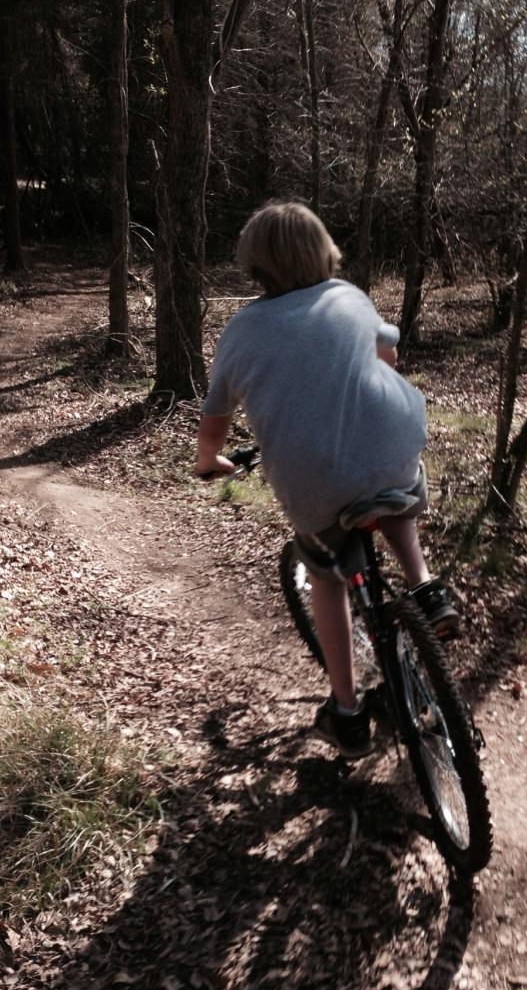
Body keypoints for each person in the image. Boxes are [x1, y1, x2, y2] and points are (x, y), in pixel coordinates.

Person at [194, 201, 459, 759]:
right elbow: (388, 355)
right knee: (397, 496)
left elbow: (215, 419)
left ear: (255, 266)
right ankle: (425, 589)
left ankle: (346, 711)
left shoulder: (241, 331)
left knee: (329, 579)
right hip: (393, 447)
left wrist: (210, 461)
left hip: (316, 483)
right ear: (322, 251)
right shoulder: (350, 298)